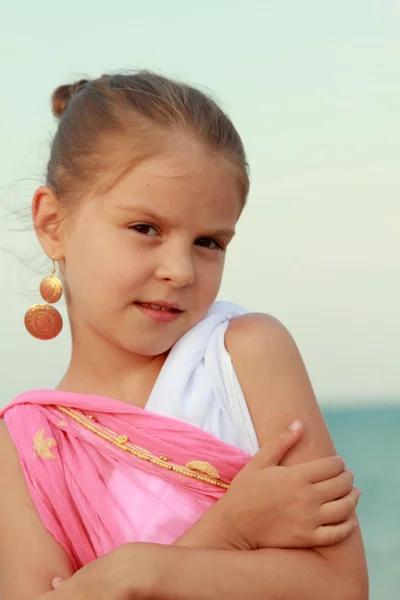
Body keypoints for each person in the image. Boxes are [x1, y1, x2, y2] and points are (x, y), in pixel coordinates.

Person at [0, 71, 368, 600]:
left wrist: (130, 579)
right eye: (145, 228)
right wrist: (227, 532)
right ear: (53, 224)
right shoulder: (25, 449)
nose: (181, 270)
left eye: (209, 241)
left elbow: (339, 586)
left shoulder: (245, 356)